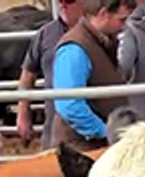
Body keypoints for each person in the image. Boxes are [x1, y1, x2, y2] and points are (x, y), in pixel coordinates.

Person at [51, 0, 137, 149]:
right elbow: (69, 104)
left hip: (94, 144)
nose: (124, 26)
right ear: (103, 13)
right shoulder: (74, 49)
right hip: (81, 148)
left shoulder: (102, 42)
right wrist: (105, 132)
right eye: (121, 19)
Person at [16, 0, 85, 147]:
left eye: (69, 1)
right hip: (54, 124)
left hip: (88, 122)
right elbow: (28, 74)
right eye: (60, 1)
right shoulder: (45, 34)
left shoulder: (98, 33)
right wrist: (23, 112)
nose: (63, 5)